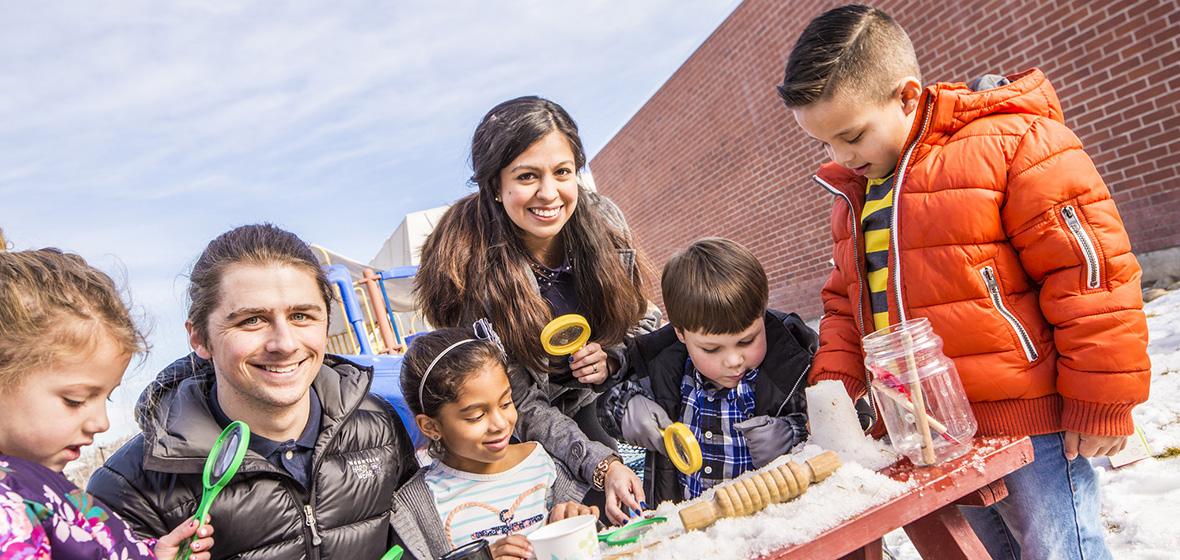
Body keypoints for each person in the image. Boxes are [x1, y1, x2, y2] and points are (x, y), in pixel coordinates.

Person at [776, 5, 1152, 558]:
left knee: (1057, 549)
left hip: (1028, 420)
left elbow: (1091, 276)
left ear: (906, 96)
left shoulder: (1010, 144)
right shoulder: (857, 195)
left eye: (851, 136)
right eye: (825, 144)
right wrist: (834, 387)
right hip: (929, 428)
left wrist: (1103, 400)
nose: (840, 157)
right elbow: (845, 303)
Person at [87, 224, 419, 559]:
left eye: (301, 315)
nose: (285, 344)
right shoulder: (128, 488)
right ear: (200, 338)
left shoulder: (380, 423)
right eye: (252, 320)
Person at [415, 96, 658, 524]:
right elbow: (517, 404)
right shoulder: (470, 272)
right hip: (515, 425)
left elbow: (642, 319)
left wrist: (613, 356)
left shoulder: (603, 224)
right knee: (586, 517)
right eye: (527, 176)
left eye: (562, 172)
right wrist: (603, 466)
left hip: (597, 398)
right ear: (495, 184)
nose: (549, 193)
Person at [0, 248, 215, 559]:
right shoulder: (10, 513)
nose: (102, 422)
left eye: (106, 397)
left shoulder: (37, 486)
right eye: (75, 400)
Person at [599, 238, 817, 504]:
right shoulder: (662, 366)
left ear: (763, 315)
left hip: (778, 523)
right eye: (712, 349)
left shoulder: (793, 362)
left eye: (747, 341)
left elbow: (849, 421)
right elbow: (605, 401)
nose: (734, 360)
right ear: (680, 333)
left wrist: (794, 434)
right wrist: (626, 410)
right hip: (698, 526)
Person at [392, 323, 597, 560]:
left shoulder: (544, 467)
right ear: (431, 426)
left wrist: (579, 524)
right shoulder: (418, 505)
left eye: (506, 403)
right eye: (476, 416)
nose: (500, 424)